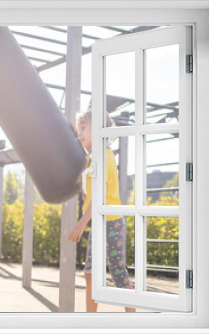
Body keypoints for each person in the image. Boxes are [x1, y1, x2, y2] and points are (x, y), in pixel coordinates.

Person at [68, 110, 135, 313]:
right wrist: (73, 131)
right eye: (79, 129)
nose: (80, 133)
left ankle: (135, 320)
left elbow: (98, 197)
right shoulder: (92, 158)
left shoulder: (105, 157)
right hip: (98, 223)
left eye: (84, 128)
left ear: (98, 130)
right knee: (90, 274)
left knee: (118, 273)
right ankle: (90, 320)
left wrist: (81, 223)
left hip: (111, 222)